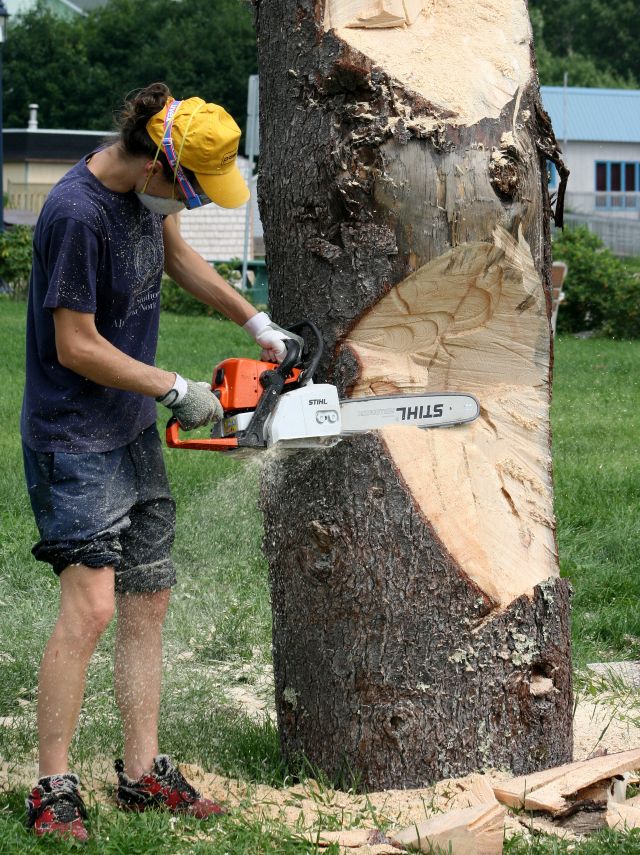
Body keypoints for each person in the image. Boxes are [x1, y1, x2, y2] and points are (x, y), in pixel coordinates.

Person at [21, 82, 297, 841]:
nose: (201, 206)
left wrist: (254, 317)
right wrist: (174, 386)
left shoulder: (146, 203)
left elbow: (174, 258)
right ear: (158, 168)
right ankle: (52, 785)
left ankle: (141, 772)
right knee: (94, 606)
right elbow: (74, 344)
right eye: (197, 191)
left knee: (148, 598)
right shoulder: (77, 214)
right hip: (74, 435)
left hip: (129, 427)